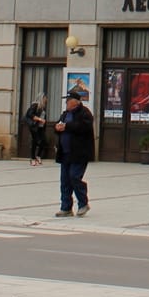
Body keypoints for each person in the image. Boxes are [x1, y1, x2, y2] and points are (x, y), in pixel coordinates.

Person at [53, 88, 95, 217]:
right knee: (65, 180)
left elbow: (83, 127)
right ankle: (66, 207)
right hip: (65, 152)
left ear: (75, 102)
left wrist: (67, 126)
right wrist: (57, 127)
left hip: (79, 153)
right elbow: (59, 125)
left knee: (74, 177)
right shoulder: (65, 114)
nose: (66, 102)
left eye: (68, 100)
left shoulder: (85, 113)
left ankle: (83, 203)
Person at [23, 93, 49, 166]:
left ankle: (38, 156)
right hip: (34, 127)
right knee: (35, 142)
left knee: (43, 141)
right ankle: (33, 158)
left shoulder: (43, 107)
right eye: (45, 98)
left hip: (41, 127)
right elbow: (30, 115)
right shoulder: (35, 105)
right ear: (42, 98)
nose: (46, 99)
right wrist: (40, 119)